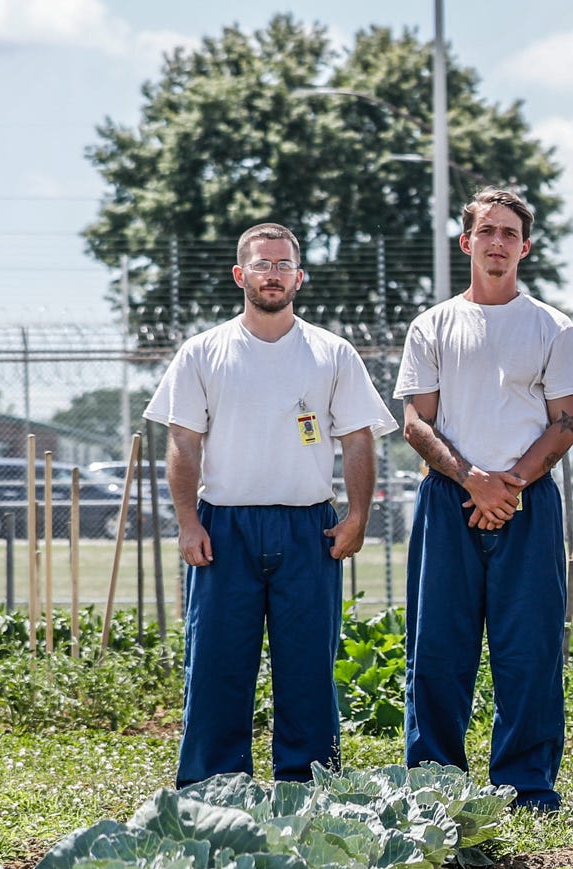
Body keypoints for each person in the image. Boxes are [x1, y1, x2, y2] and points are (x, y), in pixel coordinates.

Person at [147, 221, 394, 788]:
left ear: (300, 277)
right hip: (223, 528)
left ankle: (306, 787)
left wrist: (357, 516)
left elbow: (358, 437)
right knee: (216, 666)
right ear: (241, 274)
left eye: (283, 265)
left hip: (308, 528)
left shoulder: (332, 352)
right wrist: (187, 522)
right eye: (262, 264)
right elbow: (183, 441)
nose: (273, 274)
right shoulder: (203, 352)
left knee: (307, 667)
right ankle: (212, 786)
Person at [395, 188, 573, 811]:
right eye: (487, 232)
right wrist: (473, 479)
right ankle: (434, 784)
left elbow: (566, 423)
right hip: (449, 502)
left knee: (529, 652)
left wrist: (506, 487)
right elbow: (416, 424)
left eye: (510, 233)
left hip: (527, 506)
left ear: (525, 247)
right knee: (437, 651)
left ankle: (526, 785)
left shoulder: (551, 327)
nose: (498, 242)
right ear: (467, 242)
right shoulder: (432, 325)